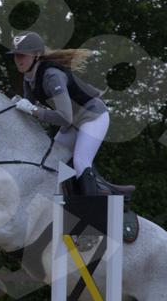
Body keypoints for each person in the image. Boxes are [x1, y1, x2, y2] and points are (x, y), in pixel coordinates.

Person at [7, 31, 114, 195]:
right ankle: (62, 202)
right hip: (73, 122)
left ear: (36, 55)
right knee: (52, 160)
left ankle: (92, 204)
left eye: (22, 55)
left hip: (93, 116)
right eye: (15, 55)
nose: (17, 59)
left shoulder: (52, 76)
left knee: (80, 162)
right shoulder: (29, 78)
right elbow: (29, 110)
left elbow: (64, 117)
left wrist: (32, 110)